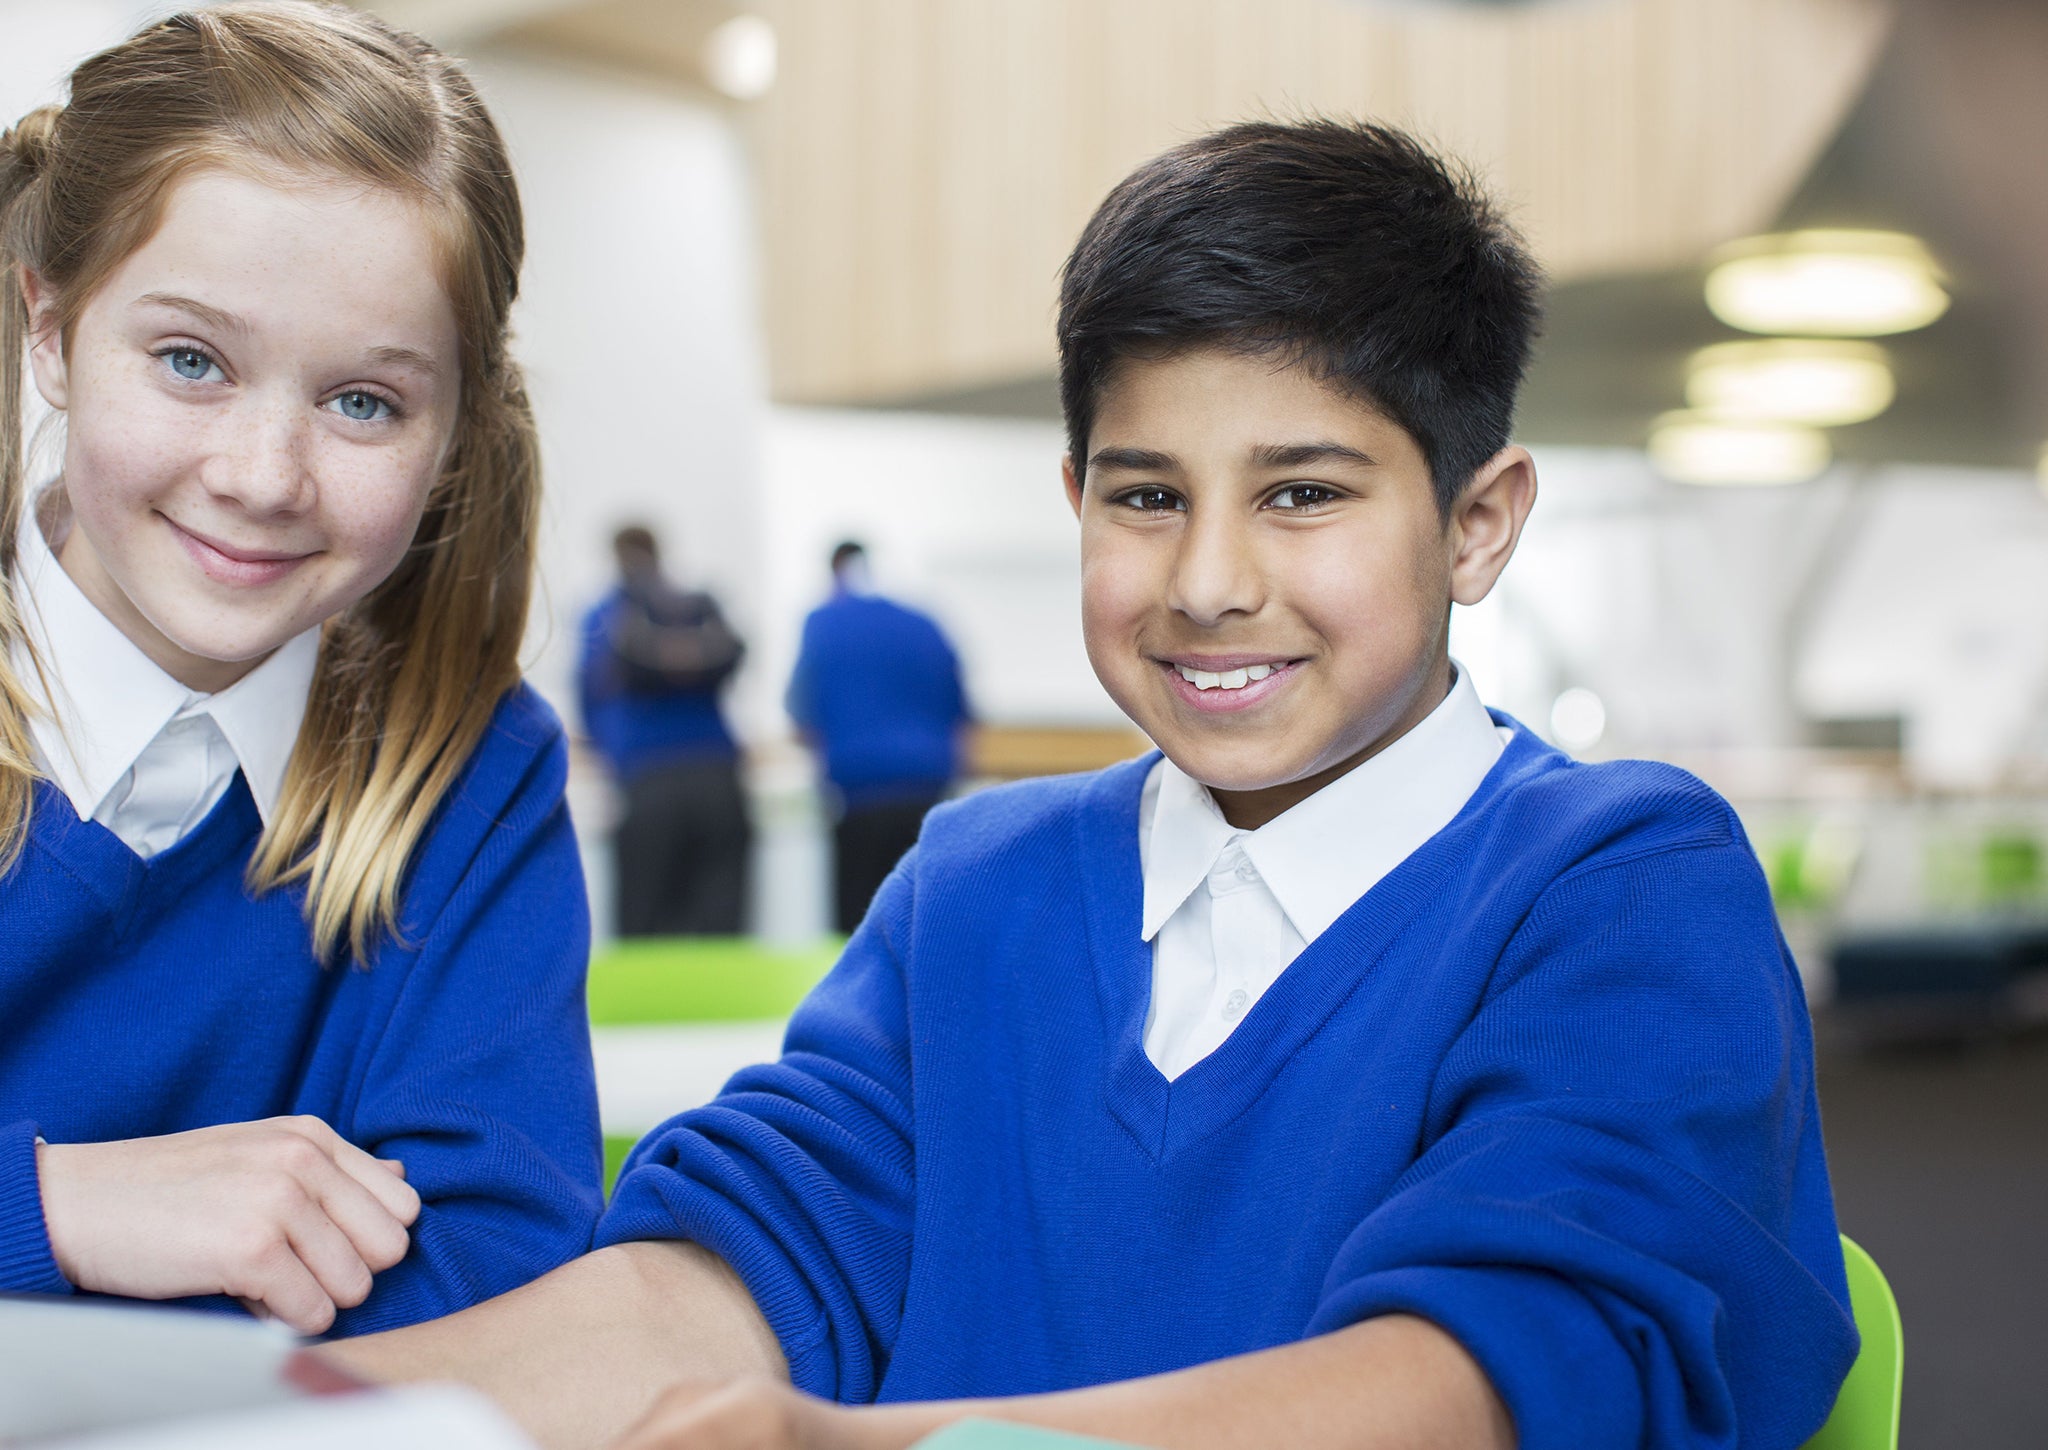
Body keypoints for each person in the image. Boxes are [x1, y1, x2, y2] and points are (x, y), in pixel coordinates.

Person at [327, 120, 1857, 1449]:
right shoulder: (977, 885)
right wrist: (272, 1406)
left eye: (1302, 493)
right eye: (1145, 496)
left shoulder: (1618, 884)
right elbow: (733, 1271)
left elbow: (1493, 1380)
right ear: (1076, 500)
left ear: (1477, 523)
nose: (1207, 580)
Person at [0, 2, 601, 1337]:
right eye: (190, 361)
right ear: (50, 330)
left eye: (362, 402)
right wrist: (59, 1209)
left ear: (454, 432)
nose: (264, 477)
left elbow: (501, 1267)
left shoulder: (472, 773)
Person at [787, 541, 970, 933]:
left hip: (859, 796)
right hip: (927, 793)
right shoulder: (925, 624)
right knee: (920, 921)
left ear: (835, 569)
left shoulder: (824, 623)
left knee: (858, 926)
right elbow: (960, 712)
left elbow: (801, 713)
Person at [578, 524, 750, 935]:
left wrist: (609, 754)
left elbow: (589, 695)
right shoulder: (697, 608)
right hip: (718, 774)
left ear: (616, 556)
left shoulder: (605, 615)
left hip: (646, 776)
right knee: (722, 921)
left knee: (645, 921)